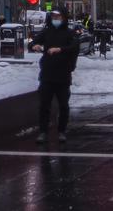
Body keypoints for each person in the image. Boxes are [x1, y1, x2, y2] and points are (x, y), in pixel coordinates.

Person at [29, 9, 80, 143]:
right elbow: (32, 43)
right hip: (47, 74)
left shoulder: (69, 33)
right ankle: (43, 132)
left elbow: (74, 47)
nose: (56, 19)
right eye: (54, 17)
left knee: (63, 105)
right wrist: (35, 45)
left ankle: (62, 131)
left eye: (58, 16)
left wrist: (60, 49)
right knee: (44, 105)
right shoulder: (47, 31)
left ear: (64, 18)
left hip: (63, 75)